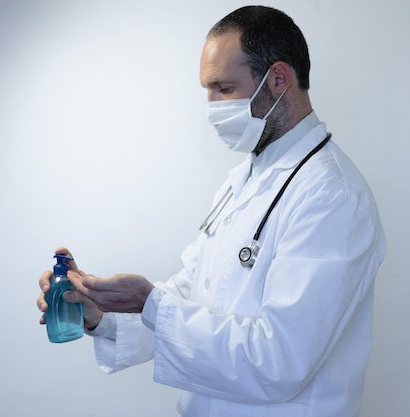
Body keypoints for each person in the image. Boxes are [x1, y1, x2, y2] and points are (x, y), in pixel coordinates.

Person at [37, 5, 386, 417]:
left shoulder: (331, 196)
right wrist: (103, 314)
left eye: (223, 89)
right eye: (207, 90)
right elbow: (194, 296)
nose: (212, 107)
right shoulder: (243, 179)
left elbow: (280, 360)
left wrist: (150, 303)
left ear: (277, 79)